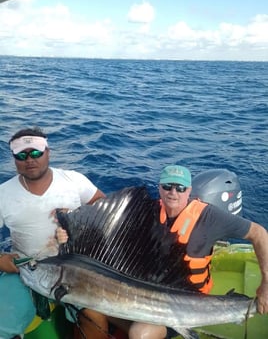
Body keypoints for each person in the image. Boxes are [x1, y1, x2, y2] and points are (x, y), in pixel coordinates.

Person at [57, 164, 268, 339]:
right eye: (167, 186)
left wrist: (266, 284)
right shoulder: (145, 214)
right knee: (88, 310)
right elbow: (107, 235)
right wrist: (71, 231)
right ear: (159, 189)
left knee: (141, 333)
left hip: (189, 303)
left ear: (189, 191)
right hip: (138, 295)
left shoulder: (210, 217)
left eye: (180, 188)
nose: (173, 193)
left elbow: (259, 233)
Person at [0, 127, 107, 339]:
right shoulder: (3, 194)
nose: (29, 159)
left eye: (36, 153)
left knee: (96, 321)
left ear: (48, 152)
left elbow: (103, 207)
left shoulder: (73, 181)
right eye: (22, 155)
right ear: (14, 159)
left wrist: (80, 216)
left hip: (76, 268)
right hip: (26, 268)